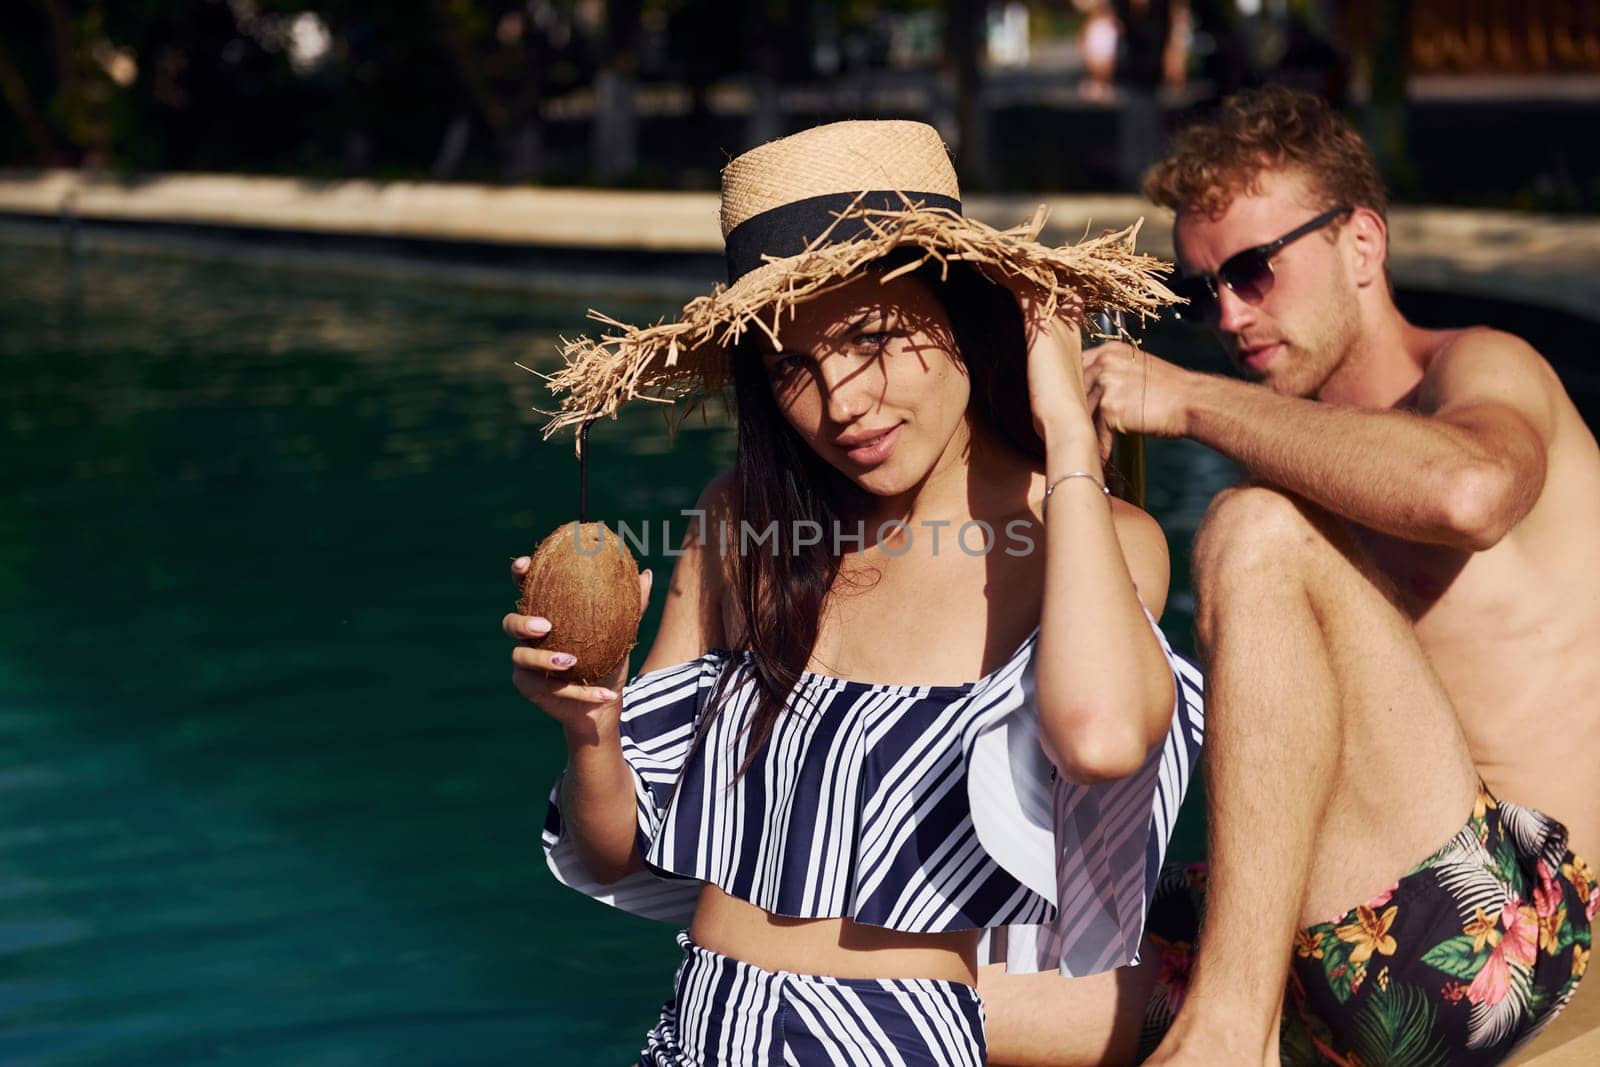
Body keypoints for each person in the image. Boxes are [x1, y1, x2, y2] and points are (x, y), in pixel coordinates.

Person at [504, 120, 1205, 1064]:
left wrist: (1071, 439)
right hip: (695, 1032)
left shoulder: (1091, 543)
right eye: (794, 366)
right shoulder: (745, 528)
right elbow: (611, 853)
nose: (840, 403)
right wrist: (590, 719)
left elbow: (1106, 736)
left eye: (872, 338)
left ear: (967, 315)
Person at [983, 86, 1599, 1066]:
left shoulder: (1479, 370)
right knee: (895, 981)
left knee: (1251, 530)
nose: (1227, 314)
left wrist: (1188, 401)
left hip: (1523, 944)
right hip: (1345, 955)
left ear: (1361, 244)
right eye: (1203, 288)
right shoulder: (1295, 454)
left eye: (1254, 271)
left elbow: (1470, 493)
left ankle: (1228, 1039)